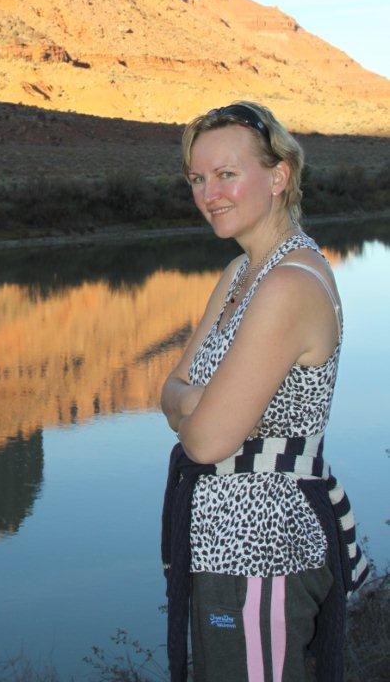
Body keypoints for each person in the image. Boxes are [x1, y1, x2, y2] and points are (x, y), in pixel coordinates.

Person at [159, 101, 368, 682]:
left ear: (279, 176)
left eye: (226, 174)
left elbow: (204, 442)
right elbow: (170, 390)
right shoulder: (239, 275)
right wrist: (200, 403)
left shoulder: (288, 285)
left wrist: (199, 408)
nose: (209, 194)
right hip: (220, 544)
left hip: (265, 547)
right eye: (197, 179)